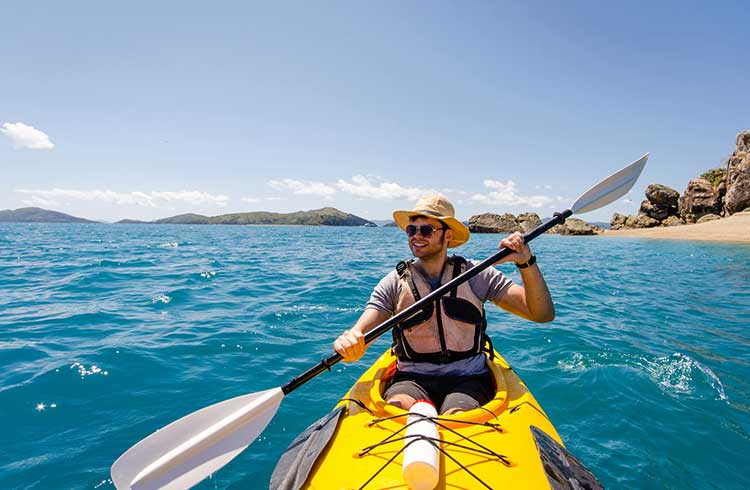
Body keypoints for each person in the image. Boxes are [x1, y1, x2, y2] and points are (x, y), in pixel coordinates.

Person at [333, 195, 555, 415]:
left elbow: (541, 313)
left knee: (457, 414)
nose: (416, 236)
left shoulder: (477, 274)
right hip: (411, 378)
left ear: (448, 235)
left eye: (426, 230)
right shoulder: (394, 282)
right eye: (412, 230)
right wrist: (351, 340)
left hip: (468, 379)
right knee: (398, 408)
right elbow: (364, 326)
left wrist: (526, 262)